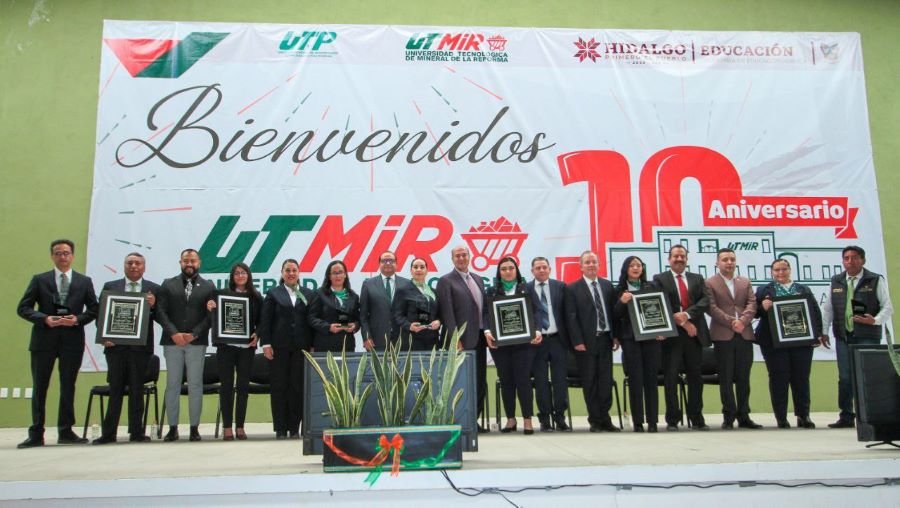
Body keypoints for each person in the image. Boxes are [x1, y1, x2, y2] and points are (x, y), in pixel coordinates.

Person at [17, 239, 99, 449]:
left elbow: (93, 309)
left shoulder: (84, 281)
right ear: (52, 256)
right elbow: (24, 308)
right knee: (40, 386)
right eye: (58, 253)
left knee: (68, 385)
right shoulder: (40, 280)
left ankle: (65, 431)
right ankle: (36, 432)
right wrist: (44, 318)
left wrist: (77, 319)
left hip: (72, 340)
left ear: (72, 256)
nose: (62, 257)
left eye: (66, 253)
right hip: (44, 340)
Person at [820, 245, 893, 428]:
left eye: (854, 257)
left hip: (867, 335)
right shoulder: (837, 281)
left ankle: (871, 416)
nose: (850, 261)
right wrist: (823, 331)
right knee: (845, 377)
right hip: (844, 336)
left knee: (868, 377)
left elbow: (887, 307)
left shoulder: (875, 280)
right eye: (846, 258)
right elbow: (828, 309)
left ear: (863, 260)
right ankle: (846, 416)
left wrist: (875, 320)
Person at [93, 252, 160, 444]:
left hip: (141, 350)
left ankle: (137, 432)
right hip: (115, 348)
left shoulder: (153, 289)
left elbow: (160, 316)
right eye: (130, 263)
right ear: (124, 266)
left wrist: (154, 306)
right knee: (116, 390)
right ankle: (108, 433)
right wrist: (104, 337)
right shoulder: (111, 287)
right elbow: (101, 316)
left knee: (137, 390)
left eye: (138, 263)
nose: (133, 266)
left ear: (144, 267)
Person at [754, 258, 823, 429]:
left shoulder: (802, 289)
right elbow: (754, 313)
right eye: (776, 270)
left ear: (789, 270)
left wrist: (817, 334)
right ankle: (781, 417)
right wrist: (762, 306)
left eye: (783, 269)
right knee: (778, 378)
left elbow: (815, 311)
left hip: (801, 342)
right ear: (772, 272)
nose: (780, 273)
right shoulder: (764, 290)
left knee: (801, 378)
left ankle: (803, 415)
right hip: (773, 343)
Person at [155, 248, 214, 442]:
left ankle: (194, 428)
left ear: (199, 263)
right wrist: (174, 333)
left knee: (196, 385)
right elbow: (161, 312)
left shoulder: (208, 286)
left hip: (196, 342)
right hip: (172, 342)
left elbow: (210, 316)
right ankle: (172, 428)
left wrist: (194, 334)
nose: (190, 264)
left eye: (193, 261)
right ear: (180, 262)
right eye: (186, 261)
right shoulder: (167, 284)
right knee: (172, 384)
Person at [652, 244, 711, 431]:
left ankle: (696, 417)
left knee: (695, 377)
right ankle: (672, 419)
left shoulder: (697, 278)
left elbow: (705, 301)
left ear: (687, 259)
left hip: (694, 336)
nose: (679, 259)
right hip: (672, 337)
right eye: (675, 256)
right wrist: (683, 323)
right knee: (671, 377)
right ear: (669, 259)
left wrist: (687, 315)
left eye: (682, 256)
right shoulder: (659, 279)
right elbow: (660, 303)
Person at [484, 257, 543, 435]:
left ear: (516, 270)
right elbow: (486, 314)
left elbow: (537, 311)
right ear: (499, 272)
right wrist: (487, 332)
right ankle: (510, 419)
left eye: (511, 268)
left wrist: (538, 330)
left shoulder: (527, 289)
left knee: (523, 380)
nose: (508, 271)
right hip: (500, 345)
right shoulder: (492, 291)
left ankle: (527, 419)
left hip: (524, 344)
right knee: (506, 381)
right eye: (504, 269)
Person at [257, 259, 315, 440]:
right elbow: (265, 321)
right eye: (287, 270)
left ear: (299, 273)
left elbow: (311, 322)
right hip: (278, 348)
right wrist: (266, 344)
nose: (291, 273)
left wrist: (312, 345)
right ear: (282, 273)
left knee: (297, 388)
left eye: (294, 270)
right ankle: (280, 428)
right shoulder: (273, 294)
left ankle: (294, 428)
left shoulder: (308, 294)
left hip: (301, 348)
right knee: (279, 387)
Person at [564, 250, 620, 432]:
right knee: (590, 382)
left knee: (605, 381)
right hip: (586, 343)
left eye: (594, 262)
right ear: (580, 266)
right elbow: (571, 318)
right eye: (587, 262)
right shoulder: (572, 288)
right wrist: (577, 341)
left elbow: (613, 313)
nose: (591, 265)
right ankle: (595, 420)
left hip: (605, 339)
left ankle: (605, 418)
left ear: (599, 264)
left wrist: (615, 336)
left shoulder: (607, 286)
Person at [706, 248, 761, 429]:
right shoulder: (709, 283)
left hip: (744, 335)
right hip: (723, 336)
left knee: (743, 378)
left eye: (732, 259)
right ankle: (728, 416)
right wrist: (732, 322)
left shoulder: (744, 282)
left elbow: (752, 304)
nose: (729, 262)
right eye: (725, 259)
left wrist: (743, 321)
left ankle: (744, 415)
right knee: (726, 378)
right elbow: (711, 308)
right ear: (717, 263)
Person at [207, 263, 262, 441]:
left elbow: (262, 321)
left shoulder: (256, 297)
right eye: (237, 273)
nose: (240, 276)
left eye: (243, 272)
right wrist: (210, 307)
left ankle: (240, 426)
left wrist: (258, 333)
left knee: (243, 387)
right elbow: (212, 316)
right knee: (226, 387)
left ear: (248, 275)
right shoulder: (220, 294)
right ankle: (227, 427)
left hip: (246, 349)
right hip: (226, 348)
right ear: (232, 276)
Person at [436, 245, 488, 430]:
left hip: (481, 338)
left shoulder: (478, 279)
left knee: (480, 381)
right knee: (463, 382)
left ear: (469, 256)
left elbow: (484, 309)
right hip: (461, 342)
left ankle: (475, 420)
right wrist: (455, 338)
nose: (461, 258)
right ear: (452, 259)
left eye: (464, 255)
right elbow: (448, 314)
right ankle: (464, 420)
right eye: (457, 256)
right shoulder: (445, 281)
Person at [613, 256, 662, 433]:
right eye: (632, 265)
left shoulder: (652, 286)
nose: (635, 268)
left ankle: (653, 421)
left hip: (651, 339)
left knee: (651, 379)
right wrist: (621, 302)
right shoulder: (619, 289)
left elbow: (661, 310)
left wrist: (661, 330)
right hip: (630, 339)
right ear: (626, 269)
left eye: (639, 265)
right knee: (635, 380)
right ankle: (638, 421)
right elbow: (615, 315)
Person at [527, 256, 571, 432]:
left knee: (560, 380)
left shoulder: (560, 287)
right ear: (532, 271)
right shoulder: (526, 289)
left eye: (544, 267)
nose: (542, 270)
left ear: (550, 269)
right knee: (541, 381)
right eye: (538, 268)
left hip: (558, 339)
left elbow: (568, 314)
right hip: (536, 342)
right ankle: (545, 418)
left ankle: (560, 417)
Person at [359, 250, 412, 350]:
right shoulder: (368, 284)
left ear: (396, 264)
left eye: (391, 261)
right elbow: (363, 316)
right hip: (376, 340)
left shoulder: (407, 284)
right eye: (384, 261)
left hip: (402, 340)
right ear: (379, 264)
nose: (388, 263)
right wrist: (366, 337)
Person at [308, 260, 360, 353]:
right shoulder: (319, 294)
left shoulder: (353, 296)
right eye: (334, 273)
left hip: (347, 345)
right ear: (329, 276)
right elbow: (312, 318)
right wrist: (328, 327)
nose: (338, 276)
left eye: (340, 272)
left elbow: (358, 318)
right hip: (325, 345)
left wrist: (355, 325)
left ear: (345, 275)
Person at [393, 257, 442, 351]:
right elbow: (397, 315)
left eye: (422, 267)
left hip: (432, 340)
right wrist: (409, 326)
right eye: (415, 267)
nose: (419, 269)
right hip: (411, 341)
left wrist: (439, 322)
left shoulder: (433, 292)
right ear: (411, 271)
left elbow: (440, 314)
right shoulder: (402, 290)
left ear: (427, 271)